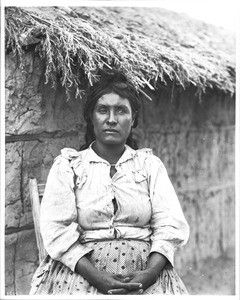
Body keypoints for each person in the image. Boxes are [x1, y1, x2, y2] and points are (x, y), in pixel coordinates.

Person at [29, 69, 190, 295]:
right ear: (91, 117)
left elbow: (170, 225)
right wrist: (97, 277)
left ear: (133, 119)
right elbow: (57, 230)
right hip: (81, 274)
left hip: (145, 272)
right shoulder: (69, 167)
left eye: (121, 111)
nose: (111, 120)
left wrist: (150, 273)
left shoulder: (149, 166)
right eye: (103, 110)